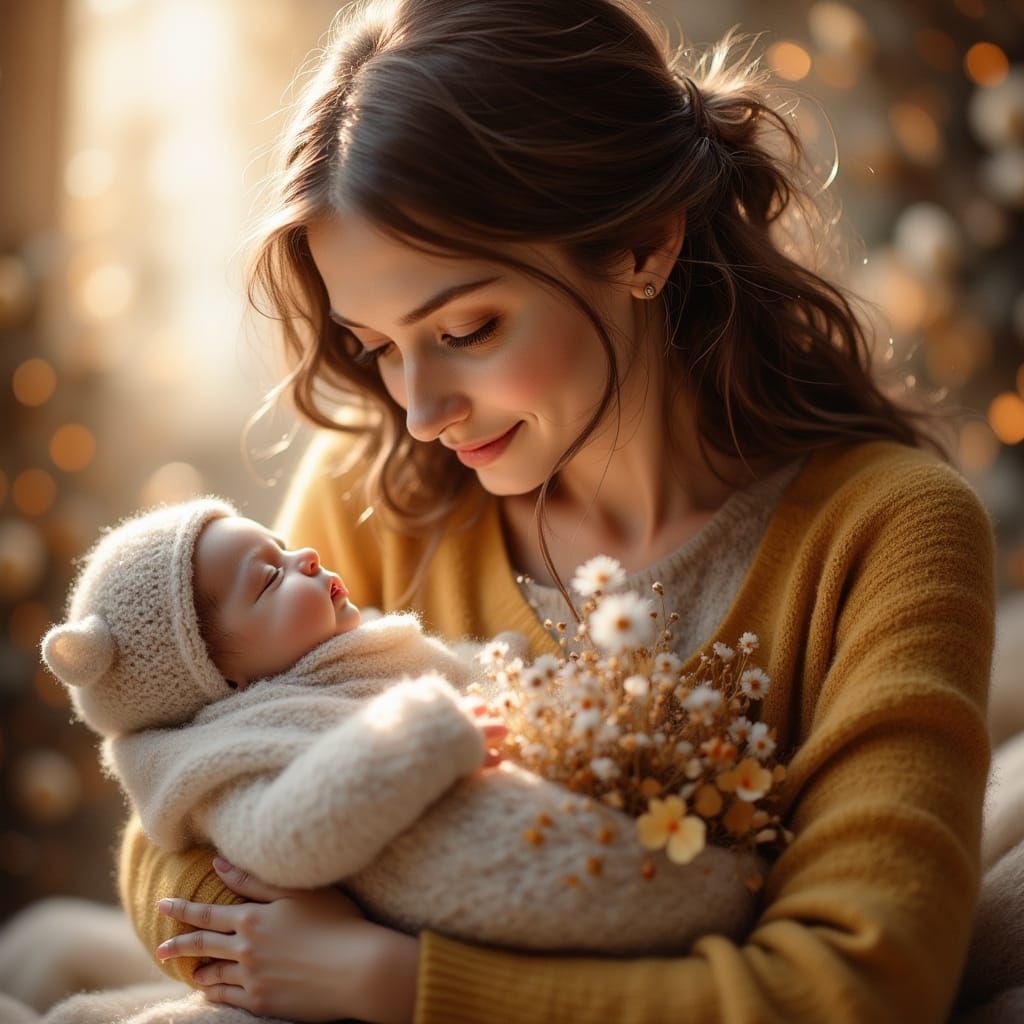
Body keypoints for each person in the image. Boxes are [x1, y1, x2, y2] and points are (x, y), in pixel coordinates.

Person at [119, 0, 996, 1021]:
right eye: (376, 346)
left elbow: (858, 988)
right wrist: (286, 933)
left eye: (467, 328)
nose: (420, 411)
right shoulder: (377, 492)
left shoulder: (888, 532)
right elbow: (171, 827)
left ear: (643, 244)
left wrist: (392, 980)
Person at [41, 497, 756, 981]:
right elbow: (286, 834)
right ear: (223, 678)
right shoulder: (242, 745)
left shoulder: (341, 653)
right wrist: (423, 729)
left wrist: (518, 677)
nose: (306, 555)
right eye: (268, 578)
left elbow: (450, 668)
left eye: (282, 547)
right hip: (453, 889)